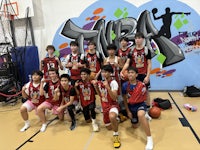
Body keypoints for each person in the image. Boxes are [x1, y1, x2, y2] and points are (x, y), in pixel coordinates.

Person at [120, 32, 152, 120]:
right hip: (134, 74)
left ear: (143, 39)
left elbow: (149, 64)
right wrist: (122, 71)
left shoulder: (146, 50)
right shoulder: (131, 50)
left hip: (143, 74)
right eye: (136, 38)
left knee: (146, 92)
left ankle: (147, 111)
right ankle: (134, 108)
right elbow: (127, 62)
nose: (137, 40)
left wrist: (148, 76)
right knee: (133, 92)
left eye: (139, 38)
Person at [122, 66, 153, 150]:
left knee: (141, 114)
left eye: (132, 72)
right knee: (135, 126)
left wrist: (146, 108)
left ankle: (149, 139)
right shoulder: (124, 85)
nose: (130, 74)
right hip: (131, 107)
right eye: (129, 73)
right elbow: (125, 99)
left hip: (140, 105)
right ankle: (141, 117)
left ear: (136, 75)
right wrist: (128, 111)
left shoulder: (141, 85)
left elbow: (145, 97)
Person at [92, 64, 121, 148]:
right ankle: (120, 118)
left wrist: (108, 88)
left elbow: (114, 97)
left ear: (110, 73)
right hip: (104, 106)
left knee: (112, 117)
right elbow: (101, 95)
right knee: (109, 127)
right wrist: (95, 87)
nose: (104, 74)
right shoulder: (101, 82)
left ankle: (116, 136)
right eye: (103, 72)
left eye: (106, 72)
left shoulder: (113, 83)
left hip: (112, 105)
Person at [104, 44, 127, 122]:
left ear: (115, 50)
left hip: (116, 80)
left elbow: (123, 67)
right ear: (107, 51)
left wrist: (118, 66)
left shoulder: (118, 58)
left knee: (118, 96)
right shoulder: (106, 59)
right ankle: (111, 110)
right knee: (109, 95)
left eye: (112, 49)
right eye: (109, 50)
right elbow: (103, 70)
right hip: (108, 80)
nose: (111, 51)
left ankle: (120, 112)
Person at [37, 68, 61, 132]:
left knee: (61, 119)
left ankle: (62, 111)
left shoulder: (61, 82)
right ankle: (44, 124)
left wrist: (56, 92)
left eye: (53, 73)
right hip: (50, 101)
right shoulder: (48, 83)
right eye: (50, 74)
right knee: (39, 109)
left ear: (57, 74)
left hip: (59, 102)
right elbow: (41, 94)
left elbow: (58, 97)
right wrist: (41, 83)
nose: (52, 75)